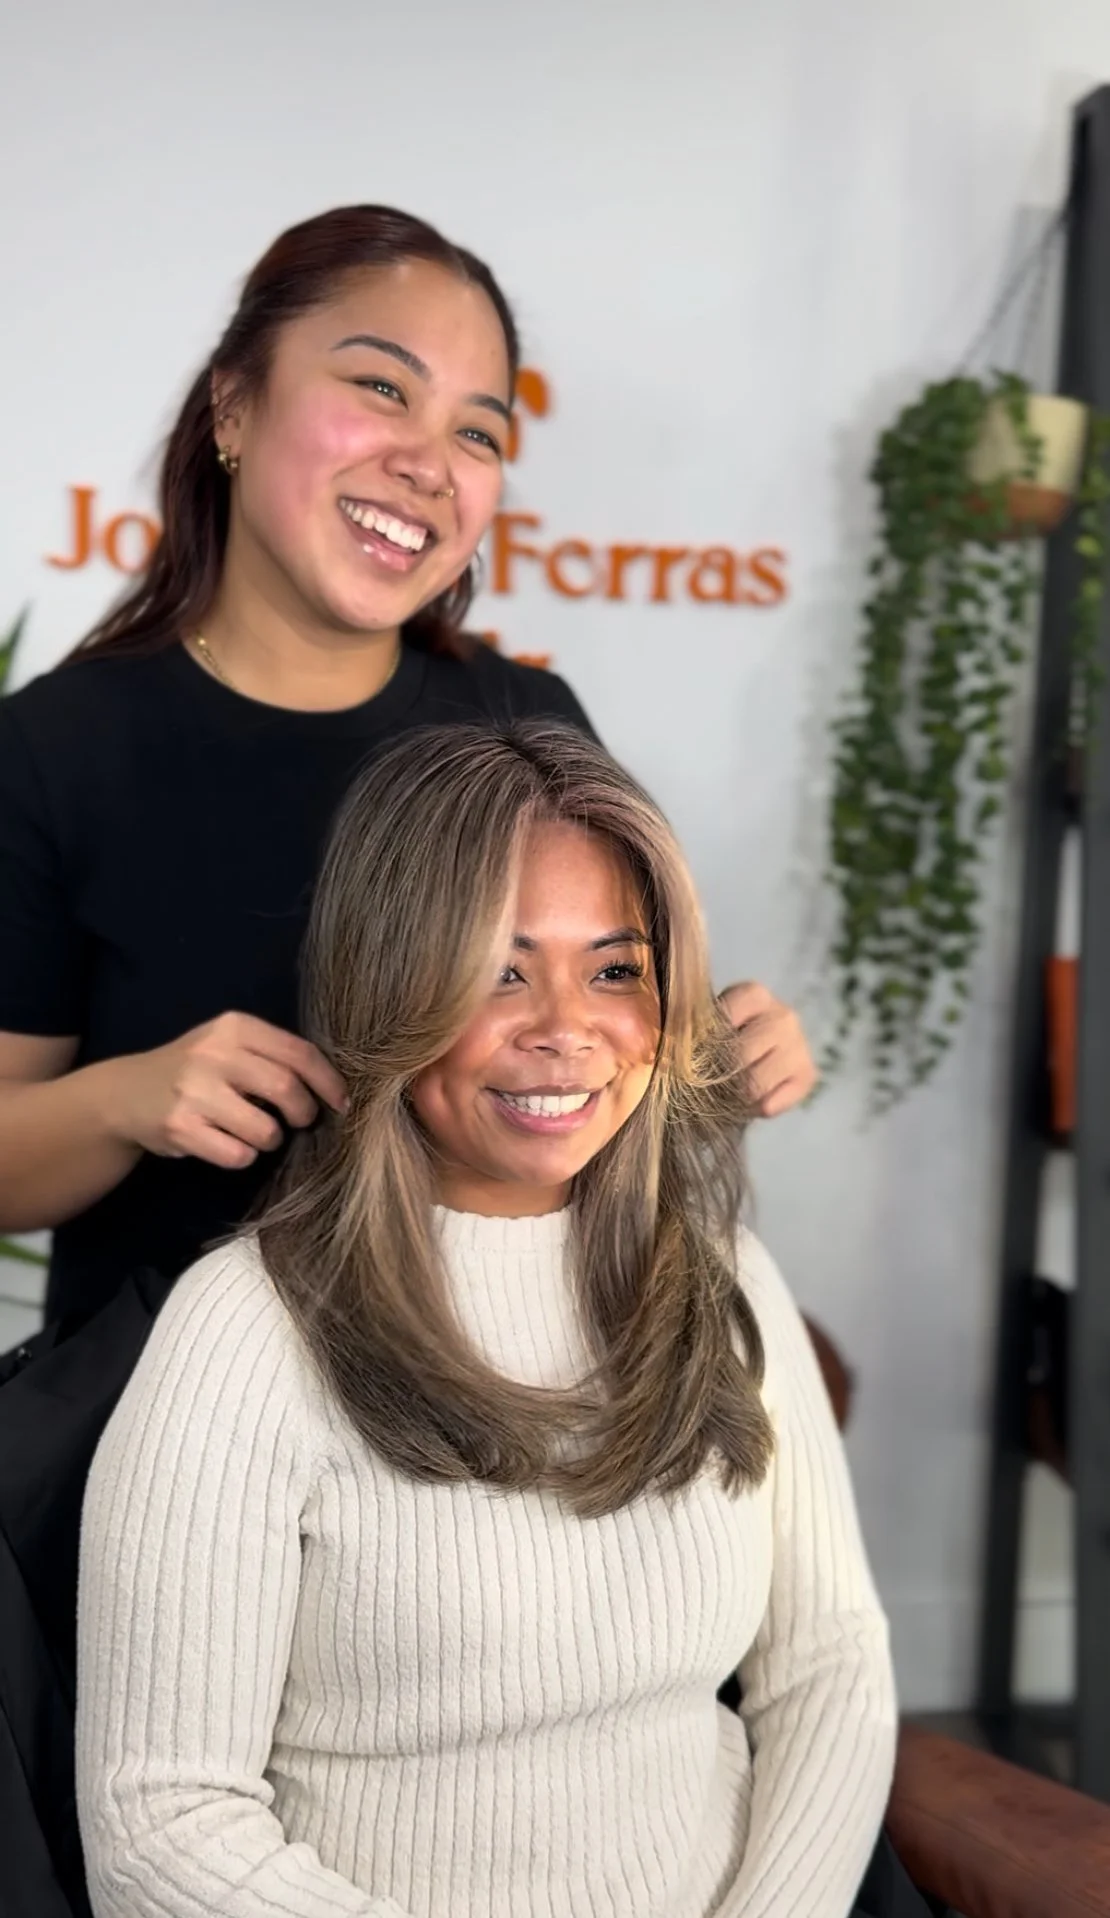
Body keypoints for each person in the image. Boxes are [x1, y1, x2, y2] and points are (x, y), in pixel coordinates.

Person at [76, 720, 897, 1918]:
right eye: (498, 971)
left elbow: (831, 1664)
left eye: (613, 969)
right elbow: (160, 1826)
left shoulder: (718, 1273)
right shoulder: (246, 1332)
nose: (564, 1027)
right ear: (388, 989)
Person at [0, 204, 815, 1331]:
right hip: (151, 1395)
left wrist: (716, 1047)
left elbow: (599, 1042)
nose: (429, 464)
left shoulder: (526, 722)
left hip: (477, 1393)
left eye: (478, 433)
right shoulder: (57, 750)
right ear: (233, 405)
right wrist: (125, 1100)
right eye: (382, 387)